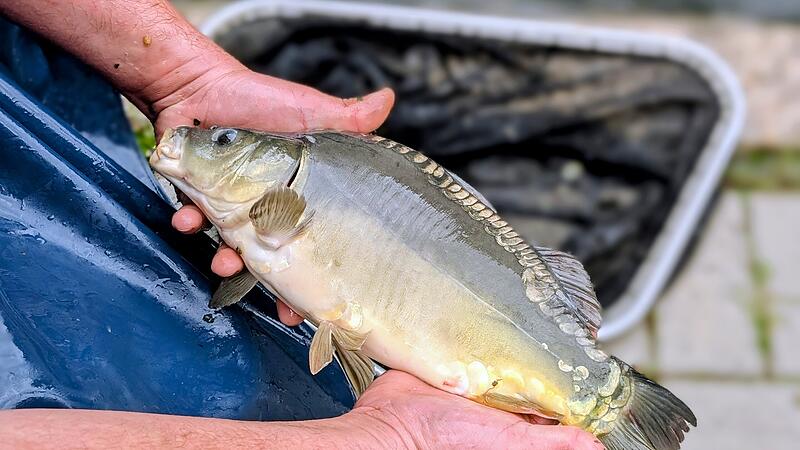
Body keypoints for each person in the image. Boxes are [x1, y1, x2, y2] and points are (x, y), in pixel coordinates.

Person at [0, 1, 602, 448]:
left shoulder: (287, 187)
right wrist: (393, 437)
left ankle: (599, 394)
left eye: (226, 140)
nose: (203, 138)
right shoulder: (271, 203)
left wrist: (183, 78)